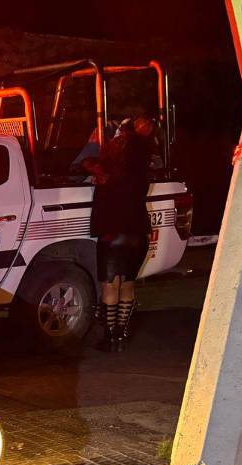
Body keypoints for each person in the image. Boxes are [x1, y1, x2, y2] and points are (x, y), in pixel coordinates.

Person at [84, 114, 156, 351]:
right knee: (127, 284)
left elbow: (84, 162)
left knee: (109, 286)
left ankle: (109, 336)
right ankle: (121, 333)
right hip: (137, 233)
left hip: (113, 234)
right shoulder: (140, 172)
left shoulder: (106, 175)